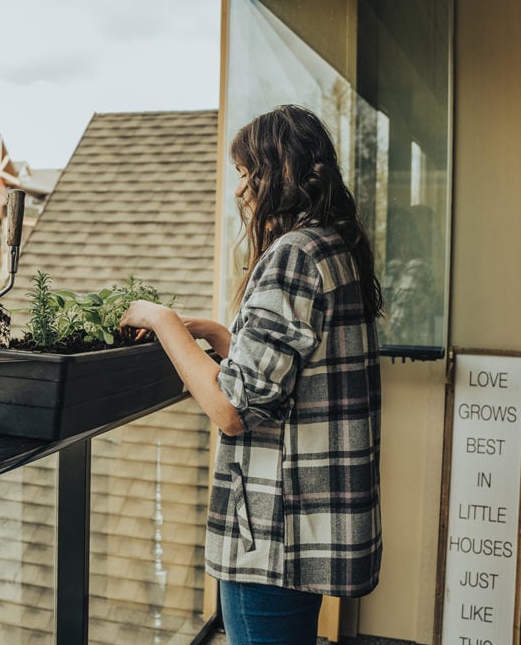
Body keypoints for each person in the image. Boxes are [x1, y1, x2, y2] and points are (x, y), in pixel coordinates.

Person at [119, 104, 384, 645]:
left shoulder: (293, 256)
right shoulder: (333, 245)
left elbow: (233, 410)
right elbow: (292, 370)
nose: (239, 191)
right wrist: (220, 336)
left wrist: (161, 320)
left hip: (272, 534)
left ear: (278, 174)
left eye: (245, 174)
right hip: (305, 529)